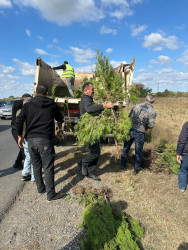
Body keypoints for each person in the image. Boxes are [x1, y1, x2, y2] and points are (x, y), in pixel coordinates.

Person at [16, 84, 64, 201]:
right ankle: (51, 195)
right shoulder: (52, 104)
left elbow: (19, 120)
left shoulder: (27, 105)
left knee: (36, 166)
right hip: (45, 141)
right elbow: (60, 118)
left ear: (36, 93)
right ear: (47, 93)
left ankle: (40, 189)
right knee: (48, 168)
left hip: (31, 141)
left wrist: (19, 136)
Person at [79, 82, 114, 181]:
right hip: (89, 130)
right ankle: (83, 163)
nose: (93, 91)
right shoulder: (86, 99)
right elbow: (89, 109)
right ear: (86, 91)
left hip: (91, 129)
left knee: (95, 151)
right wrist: (104, 106)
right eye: (92, 89)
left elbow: (92, 110)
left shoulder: (88, 99)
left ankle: (91, 172)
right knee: (95, 152)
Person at [121, 94, 156, 174]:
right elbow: (151, 125)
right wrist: (146, 127)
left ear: (145, 99)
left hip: (130, 129)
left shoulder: (136, 106)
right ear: (153, 102)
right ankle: (136, 169)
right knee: (138, 150)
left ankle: (123, 165)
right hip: (140, 132)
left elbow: (129, 117)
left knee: (126, 147)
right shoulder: (152, 111)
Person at [16, 96, 35, 182]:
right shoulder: (31, 112)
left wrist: (20, 136)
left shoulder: (19, 112)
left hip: (24, 138)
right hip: (29, 137)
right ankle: (34, 178)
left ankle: (25, 174)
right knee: (34, 157)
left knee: (28, 156)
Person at [11, 93, 32, 168]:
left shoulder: (24, 106)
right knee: (24, 150)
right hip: (16, 130)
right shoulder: (17, 105)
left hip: (22, 130)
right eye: (29, 100)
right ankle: (27, 171)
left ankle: (17, 163)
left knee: (23, 147)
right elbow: (17, 102)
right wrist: (29, 99)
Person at [176, 122, 188, 192]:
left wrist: (179, 153)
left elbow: (182, 140)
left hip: (186, 153)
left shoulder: (186, 125)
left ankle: (182, 188)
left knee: (183, 170)